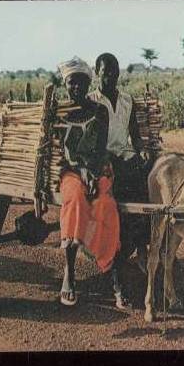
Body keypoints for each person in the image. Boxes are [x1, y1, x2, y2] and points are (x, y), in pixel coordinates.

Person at [56, 56, 130, 309]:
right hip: (71, 173)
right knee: (75, 198)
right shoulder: (60, 114)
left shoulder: (99, 111)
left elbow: (100, 149)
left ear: (89, 85)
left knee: (106, 206)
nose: (76, 88)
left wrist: (92, 171)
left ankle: (111, 271)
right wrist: (80, 170)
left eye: (80, 83)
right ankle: (69, 273)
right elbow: (61, 154)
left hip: (98, 170)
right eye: (71, 83)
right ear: (66, 85)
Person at [88, 53, 150, 273]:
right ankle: (115, 250)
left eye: (114, 72)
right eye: (106, 73)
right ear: (97, 73)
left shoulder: (126, 100)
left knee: (148, 186)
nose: (110, 77)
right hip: (102, 157)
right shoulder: (91, 101)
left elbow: (134, 133)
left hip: (125, 154)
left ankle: (143, 247)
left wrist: (142, 151)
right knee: (122, 192)